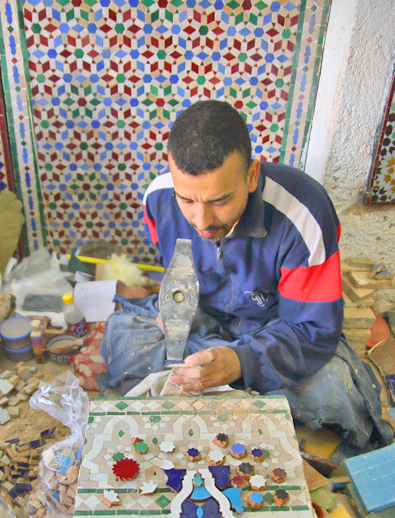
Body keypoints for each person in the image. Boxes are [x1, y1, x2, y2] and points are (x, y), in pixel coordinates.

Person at [101, 100, 392, 455]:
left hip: (276, 329)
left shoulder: (304, 213)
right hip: (207, 321)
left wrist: (241, 361)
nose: (202, 221)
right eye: (187, 200)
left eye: (220, 201)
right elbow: (177, 272)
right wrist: (176, 309)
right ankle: (232, 389)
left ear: (252, 174)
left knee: (336, 393)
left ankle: (231, 384)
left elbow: (313, 329)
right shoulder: (159, 199)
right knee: (121, 339)